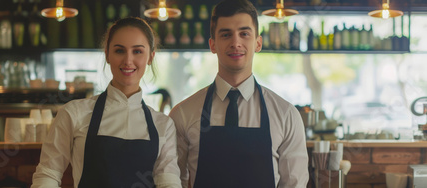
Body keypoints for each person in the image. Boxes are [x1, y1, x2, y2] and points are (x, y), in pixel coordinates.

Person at [168, 0, 309, 187]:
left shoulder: (286, 115)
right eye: (226, 35)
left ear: (258, 43)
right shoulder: (183, 114)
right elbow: (172, 180)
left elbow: (294, 184)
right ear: (212, 45)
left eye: (244, 34)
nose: (235, 43)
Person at [31, 17, 181, 188]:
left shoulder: (163, 125)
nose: (128, 60)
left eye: (137, 51)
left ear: (150, 57)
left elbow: (169, 184)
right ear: (107, 55)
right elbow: (48, 175)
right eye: (119, 51)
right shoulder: (74, 113)